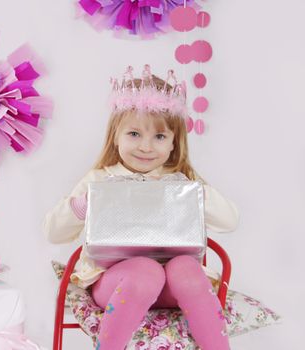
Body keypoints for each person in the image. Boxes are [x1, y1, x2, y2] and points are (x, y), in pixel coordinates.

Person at [43, 65, 239, 349]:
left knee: (185, 266)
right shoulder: (100, 179)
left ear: (174, 144)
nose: (146, 147)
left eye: (159, 137)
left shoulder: (178, 181)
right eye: (134, 134)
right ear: (116, 136)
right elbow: (52, 232)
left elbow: (230, 220)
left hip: (173, 285)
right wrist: (84, 207)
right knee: (146, 271)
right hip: (117, 282)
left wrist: (196, 193)